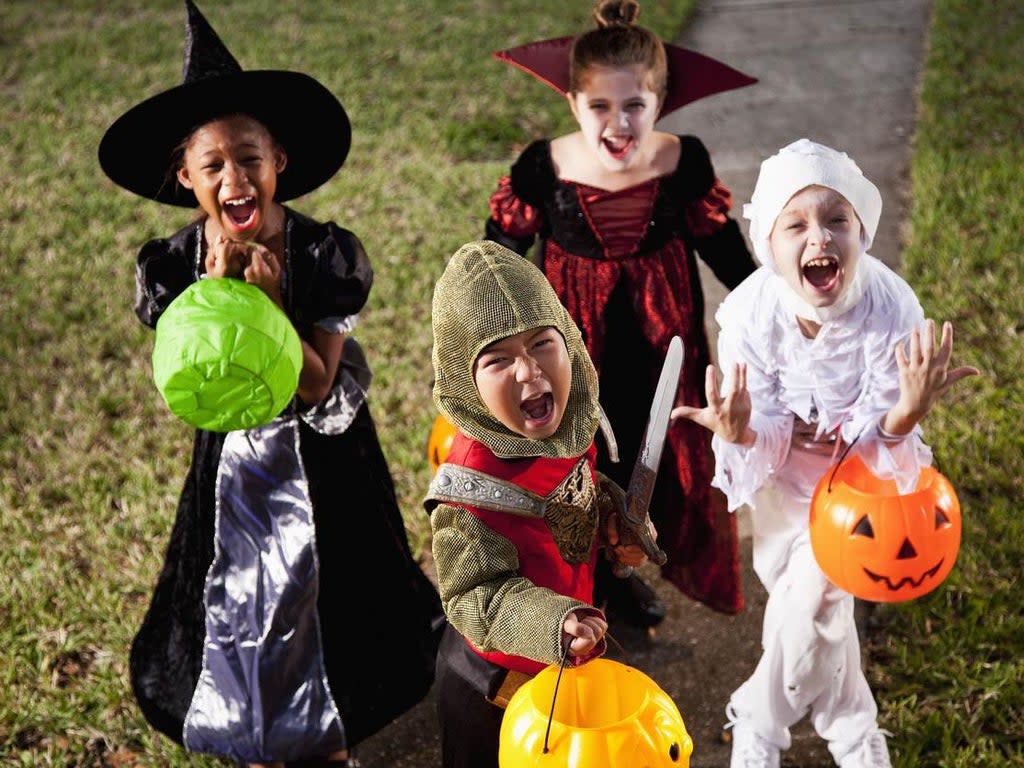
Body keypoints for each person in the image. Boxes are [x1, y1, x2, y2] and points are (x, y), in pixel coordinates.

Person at [97, 2, 443, 766]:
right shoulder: (175, 264)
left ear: (279, 159)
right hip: (230, 468)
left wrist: (272, 305)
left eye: (249, 157)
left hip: (323, 463)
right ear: (185, 177)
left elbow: (316, 387)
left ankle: (328, 736)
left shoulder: (324, 256)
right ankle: (251, 725)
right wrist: (215, 301)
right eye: (212, 165)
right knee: (237, 593)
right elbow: (190, 377)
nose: (234, 177)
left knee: (332, 599)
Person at [671, 139, 979, 768]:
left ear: (861, 232)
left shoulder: (890, 306)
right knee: (802, 606)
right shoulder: (751, 313)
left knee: (814, 596)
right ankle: (849, 722)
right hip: (783, 477)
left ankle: (761, 724)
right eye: (797, 224)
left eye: (837, 220)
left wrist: (905, 413)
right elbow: (764, 418)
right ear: (770, 246)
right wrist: (740, 432)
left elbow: (884, 429)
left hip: (861, 476)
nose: (820, 237)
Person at [485, 0, 759, 627]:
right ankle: (586, 586)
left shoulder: (682, 163)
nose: (618, 123)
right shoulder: (542, 168)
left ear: (659, 102)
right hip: (574, 353)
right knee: (581, 468)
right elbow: (498, 261)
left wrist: (775, 309)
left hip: (662, 347)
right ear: (574, 103)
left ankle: (625, 569)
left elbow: (726, 253)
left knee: (650, 461)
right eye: (599, 107)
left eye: (634, 106)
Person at [424, 240, 655, 768]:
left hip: (566, 661)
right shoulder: (471, 488)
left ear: (568, 341)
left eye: (542, 345)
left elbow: (577, 493)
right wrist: (553, 622)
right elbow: (475, 595)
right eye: (498, 360)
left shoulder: (572, 421)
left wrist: (618, 523)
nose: (529, 372)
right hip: (496, 688)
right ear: (465, 380)